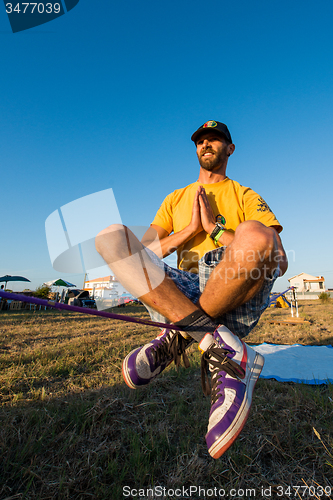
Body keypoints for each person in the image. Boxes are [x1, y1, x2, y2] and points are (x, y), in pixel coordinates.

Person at [95, 120, 288, 459]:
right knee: (110, 237)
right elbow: (145, 253)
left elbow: (278, 258)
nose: (206, 144)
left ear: (229, 148)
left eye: (215, 139)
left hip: (229, 289)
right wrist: (188, 230)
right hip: (177, 290)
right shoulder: (176, 198)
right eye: (200, 140)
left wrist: (214, 230)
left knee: (257, 234)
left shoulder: (244, 194)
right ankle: (222, 346)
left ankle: (178, 334)